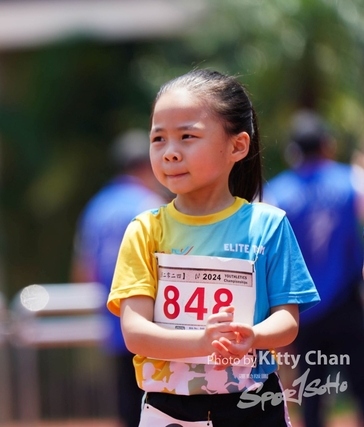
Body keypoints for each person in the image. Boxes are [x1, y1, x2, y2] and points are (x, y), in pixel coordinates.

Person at [107, 69, 320, 426]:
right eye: (158, 139)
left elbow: (287, 320)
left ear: (237, 146)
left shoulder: (268, 226)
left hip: (254, 405)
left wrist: (253, 336)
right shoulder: (144, 230)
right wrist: (202, 342)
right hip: (168, 410)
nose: (170, 153)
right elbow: (135, 332)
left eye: (187, 136)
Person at [265, 110, 364, 427]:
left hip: (302, 308)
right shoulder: (352, 180)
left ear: (293, 151)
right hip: (348, 301)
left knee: (311, 394)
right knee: (361, 383)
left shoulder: (276, 192)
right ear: (326, 145)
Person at [71, 129, 169, 427]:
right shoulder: (149, 204)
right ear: (146, 166)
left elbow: (84, 269)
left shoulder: (96, 207)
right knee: (157, 402)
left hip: (113, 319)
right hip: (153, 321)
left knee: (126, 400)